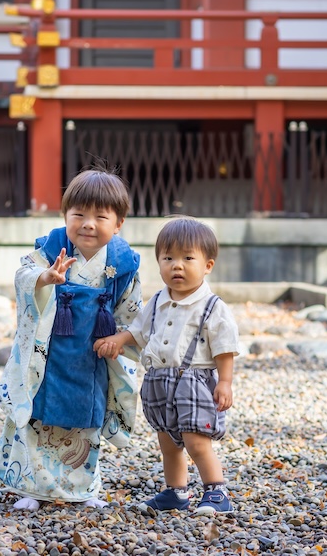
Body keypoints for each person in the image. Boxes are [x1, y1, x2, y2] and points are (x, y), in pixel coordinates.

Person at [0, 168, 142, 510]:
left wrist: (120, 338)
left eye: (101, 216)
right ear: (65, 215)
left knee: (86, 421)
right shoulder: (51, 248)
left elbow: (134, 313)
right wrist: (44, 277)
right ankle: (34, 488)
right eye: (79, 214)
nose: (88, 223)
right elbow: (23, 275)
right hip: (48, 355)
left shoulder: (123, 263)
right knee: (38, 418)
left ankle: (82, 490)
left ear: (118, 224)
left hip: (91, 358)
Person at [94, 216, 239, 516]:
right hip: (159, 381)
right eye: (168, 258)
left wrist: (225, 382)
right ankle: (176, 491)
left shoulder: (212, 306)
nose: (177, 266)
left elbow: (225, 348)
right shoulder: (158, 300)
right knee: (169, 442)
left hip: (194, 381)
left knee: (197, 442)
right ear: (158, 262)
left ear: (207, 265)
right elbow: (139, 331)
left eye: (188, 258)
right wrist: (117, 341)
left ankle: (217, 490)